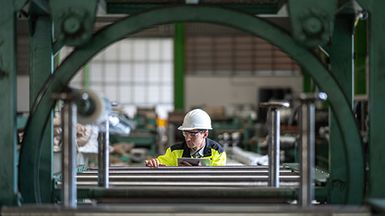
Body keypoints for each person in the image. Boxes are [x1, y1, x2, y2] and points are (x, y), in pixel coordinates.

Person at [145, 109, 226, 167]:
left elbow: (216, 178)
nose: (187, 139)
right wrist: (154, 163)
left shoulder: (217, 152)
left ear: (205, 134)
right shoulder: (174, 151)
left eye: (193, 134)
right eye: (185, 133)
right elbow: (161, 162)